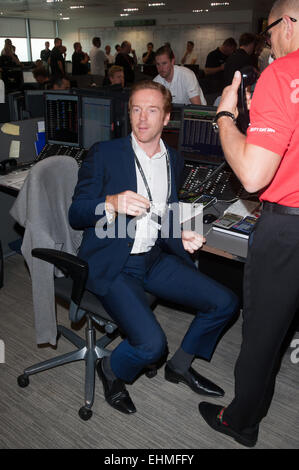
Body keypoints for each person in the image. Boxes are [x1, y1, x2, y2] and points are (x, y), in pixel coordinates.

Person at [69, 80, 239, 415]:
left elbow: (163, 213)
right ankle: (112, 369)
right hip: (114, 264)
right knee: (150, 346)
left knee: (225, 302)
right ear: (128, 113)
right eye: (135, 109)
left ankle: (181, 365)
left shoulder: (173, 160)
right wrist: (110, 202)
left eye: (151, 110)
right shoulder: (105, 153)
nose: (142, 118)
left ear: (166, 118)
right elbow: (76, 213)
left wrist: (181, 234)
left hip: (154, 259)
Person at [198, 0, 299, 448]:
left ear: (289, 23)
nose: (269, 37)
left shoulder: (282, 74)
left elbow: (254, 176)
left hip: (288, 230)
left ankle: (240, 422)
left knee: (262, 333)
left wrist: (225, 116)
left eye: (271, 27)